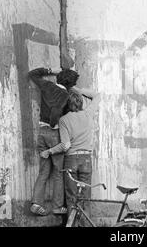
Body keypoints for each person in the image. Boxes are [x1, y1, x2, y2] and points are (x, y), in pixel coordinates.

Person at [40, 87, 100, 218]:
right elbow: (97, 95)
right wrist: (79, 90)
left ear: (67, 104)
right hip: (86, 159)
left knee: (72, 198)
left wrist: (49, 151)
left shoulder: (64, 120)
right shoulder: (88, 114)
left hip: (71, 160)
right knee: (85, 197)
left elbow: (65, 145)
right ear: (81, 103)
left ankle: (72, 223)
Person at [28, 67, 79, 216]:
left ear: (58, 78)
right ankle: (57, 207)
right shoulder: (65, 95)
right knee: (58, 172)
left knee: (43, 172)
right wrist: (53, 123)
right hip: (54, 133)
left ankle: (36, 203)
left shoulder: (47, 85)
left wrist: (52, 70)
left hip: (41, 132)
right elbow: (56, 111)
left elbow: (32, 74)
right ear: (70, 85)